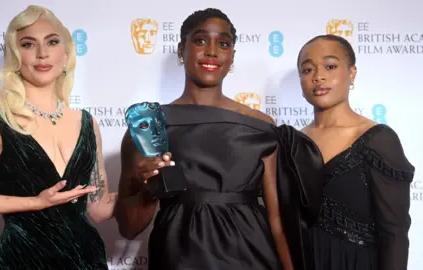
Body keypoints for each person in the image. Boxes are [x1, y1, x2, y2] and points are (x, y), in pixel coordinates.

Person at [115, 8, 324, 270]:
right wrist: (145, 184)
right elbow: (129, 228)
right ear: (182, 50)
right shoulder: (149, 126)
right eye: (201, 40)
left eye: (223, 44)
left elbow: (277, 223)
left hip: (252, 256)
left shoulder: (260, 125)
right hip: (178, 257)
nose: (212, 51)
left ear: (232, 56)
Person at [0, 5, 116, 269]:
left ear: (66, 54)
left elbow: (98, 208)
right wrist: (36, 202)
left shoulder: (88, 122)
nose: (42, 53)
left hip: (86, 259)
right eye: (28, 44)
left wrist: (144, 184)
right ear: (15, 57)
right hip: (22, 258)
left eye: (52, 42)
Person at [297, 34, 415, 270]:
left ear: (352, 74)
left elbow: (394, 233)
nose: (318, 76)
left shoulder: (378, 139)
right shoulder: (293, 142)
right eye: (308, 70)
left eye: (330, 66)